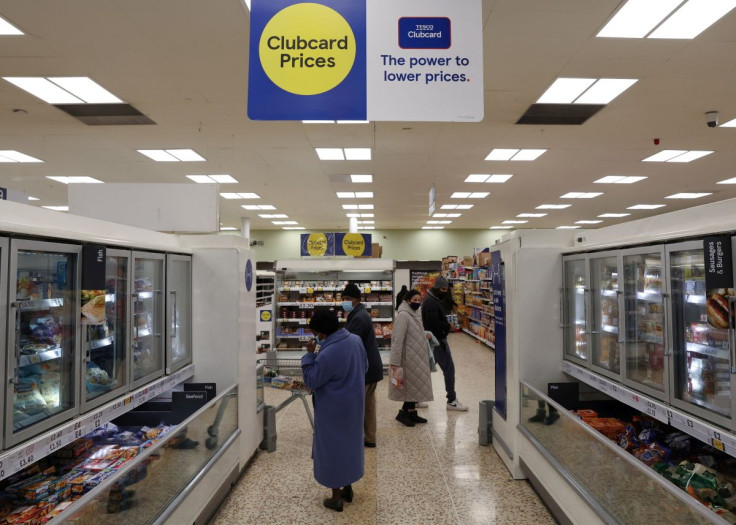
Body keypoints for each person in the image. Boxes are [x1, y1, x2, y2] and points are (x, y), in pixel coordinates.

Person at [302, 309, 368, 512]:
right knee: (350, 446)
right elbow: (364, 366)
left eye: (316, 334)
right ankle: (348, 488)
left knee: (332, 449)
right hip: (354, 406)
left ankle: (336, 496)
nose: (315, 337)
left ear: (323, 333)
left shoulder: (329, 352)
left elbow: (312, 380)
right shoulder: (355, 340)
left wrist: (309, 355)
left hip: (333, 409)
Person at [342, 282, 383, 448]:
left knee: (361, 405)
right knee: (368, 404)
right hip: (369, 367)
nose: (345, 301)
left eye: (348, 298)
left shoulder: (359, 317)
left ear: (357, 300)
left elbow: (350, 343)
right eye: (343, 298)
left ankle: (362, 437)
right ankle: (369, 438)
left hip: (366, 369)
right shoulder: (358, 314)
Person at [421, 275, 468, 411]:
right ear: (436, 288)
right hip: (437, 342)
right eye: (442, 289)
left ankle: (414, 399)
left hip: (434, 341)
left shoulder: (433, 299)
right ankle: (452, 400)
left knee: (424, 370)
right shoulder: (431, 302)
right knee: (449, 369)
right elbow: (433, 324)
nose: (444, 292)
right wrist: (448, 326)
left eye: (446, 289)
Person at [389, 290, 433, 426]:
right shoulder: (403, 315)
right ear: (408, 301)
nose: (417, 303)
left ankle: (412, 412)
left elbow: (415, 332)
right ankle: (403, 414)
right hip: (408, 358)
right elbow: (397, 339)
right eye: (415, 300)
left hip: (418, 356)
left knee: (416, 386)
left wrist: (424, 335)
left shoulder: (416, 314)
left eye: (419, 300)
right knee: (408, 386)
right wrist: (395, 361)